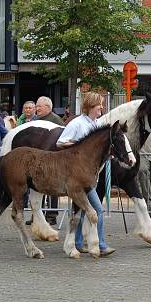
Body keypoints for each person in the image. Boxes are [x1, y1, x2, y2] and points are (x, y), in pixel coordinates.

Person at [55, 92, 115, 257]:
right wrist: (79, 146)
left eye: (101, 105)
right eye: (99, 105)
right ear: (90, 107)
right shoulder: (77, 123)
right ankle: (101, 245)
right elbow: (60, 142)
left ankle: (79, 242)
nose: (102, 108)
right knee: (97, 210)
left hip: (90, 175)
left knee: (81, 211)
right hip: (78, 176)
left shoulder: (96, 123)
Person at [34, 96, 65, 224]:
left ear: (48, 107)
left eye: (39, 106)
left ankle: (52, 215)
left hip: (53, 161)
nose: (37, 108)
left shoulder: (56, 120)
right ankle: (37, 214)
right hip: (40, 159)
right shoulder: (37, 120)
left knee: (53, 189)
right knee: (38, 187)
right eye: (36, 106)